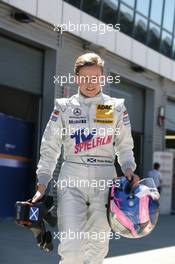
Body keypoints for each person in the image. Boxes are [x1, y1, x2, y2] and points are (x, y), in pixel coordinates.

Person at [32, 53, 139, 264]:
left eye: (95, 77)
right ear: (76, 78)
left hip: (106, 181)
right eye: (85, 77)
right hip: (72, 179)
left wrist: (128, 169)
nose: (90, 83)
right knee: (72, 248)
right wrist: (42, 184)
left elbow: (125, 147)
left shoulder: (116, 107)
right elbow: (50, 147)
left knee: (97, 248)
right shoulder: (63, 107)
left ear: (103, 78)